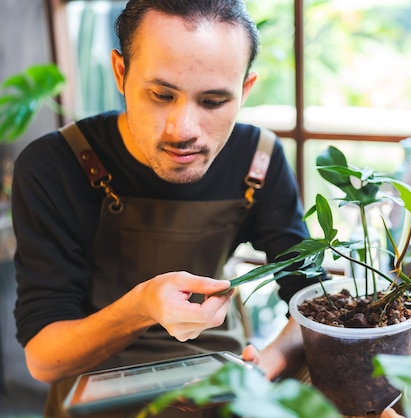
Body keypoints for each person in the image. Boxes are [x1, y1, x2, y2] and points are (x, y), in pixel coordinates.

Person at [11, 0, 318, 416]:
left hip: (218, 385)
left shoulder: (258, 158)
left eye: (213, 102)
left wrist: (267, 363)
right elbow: (44, 360)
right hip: (94, 395)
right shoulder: (56, 165)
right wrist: (140, 307)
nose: (183, 131)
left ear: (245, 90)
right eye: (161, 95)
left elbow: (312, 301)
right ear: (121, 72)